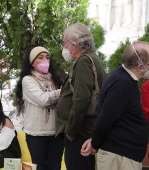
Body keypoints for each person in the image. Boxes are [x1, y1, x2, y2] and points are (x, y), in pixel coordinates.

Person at [81, 41, 149, 170]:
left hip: (123, 154)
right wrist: (95, 143)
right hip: (119, 156)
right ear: (140, 67)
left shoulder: (124, 78)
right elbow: (106, 118)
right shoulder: (122, 83)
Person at [55, 23, 106, 170]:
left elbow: (81, 99)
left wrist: (71, 130)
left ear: (74, 45)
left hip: (79, 133)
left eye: (64, 44)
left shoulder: (84, 61)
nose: (64, 48)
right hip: (84, 132)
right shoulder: (91, 58)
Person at [15, 46, 66, 170]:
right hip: (36, 134)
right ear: (32, 62)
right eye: (40, 57)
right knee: (39, 167)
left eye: (47, 57)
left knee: (55, 166)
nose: (45, 60)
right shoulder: (28, 80)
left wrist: (60, 93)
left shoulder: (56, 78)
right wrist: (63, 91)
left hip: (56, 132)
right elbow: (43, 99)